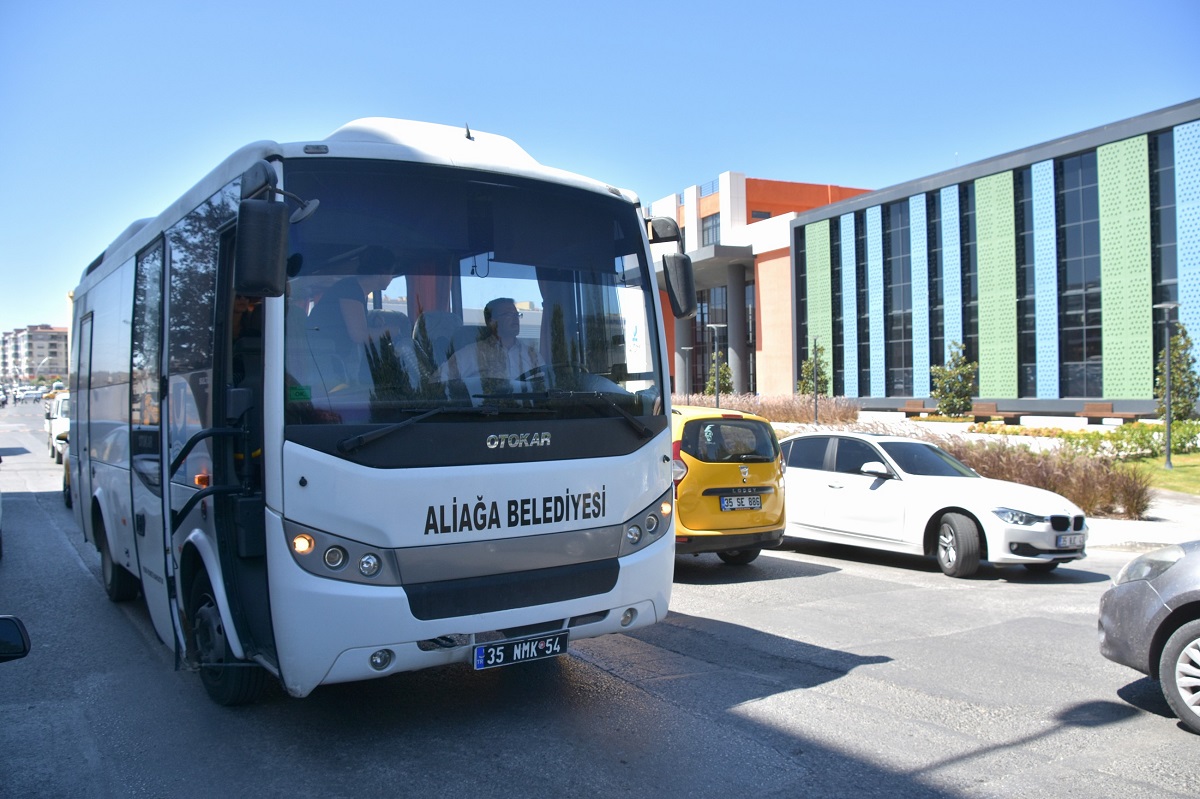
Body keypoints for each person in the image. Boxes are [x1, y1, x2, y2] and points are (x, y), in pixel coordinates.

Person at [440, 297, 542, 384]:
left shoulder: (532, 355)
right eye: (508, 314)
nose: (515, 318)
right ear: (492, 322)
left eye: (517, 314)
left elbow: (545, 385)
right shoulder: (472, 353)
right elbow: (439, 380)